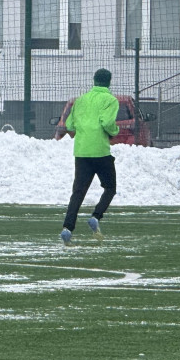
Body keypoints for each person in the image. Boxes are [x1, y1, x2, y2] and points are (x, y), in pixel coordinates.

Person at [60, 68, 120, 245]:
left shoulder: (80, 100)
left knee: (78, 192)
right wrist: (114, 131)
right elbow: (107, 122)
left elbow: (69, 124)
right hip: (100, 151)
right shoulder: (110, 100)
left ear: (94, 80)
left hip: (81, 151)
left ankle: (67, 228)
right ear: (109, 82)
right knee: (110, 187)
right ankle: (96, 216)